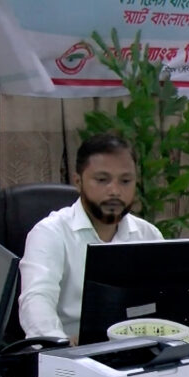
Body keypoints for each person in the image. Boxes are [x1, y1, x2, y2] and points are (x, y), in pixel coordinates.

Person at [19, 133, 163, 342]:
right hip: (71, 350)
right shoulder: (50, 233)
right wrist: (60, 347)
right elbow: (36, 300)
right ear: (78, 181)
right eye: (102, 180)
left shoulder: (148, 235)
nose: (115, 191)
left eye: (125, 181)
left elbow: (165, 304)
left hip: (136, 350)